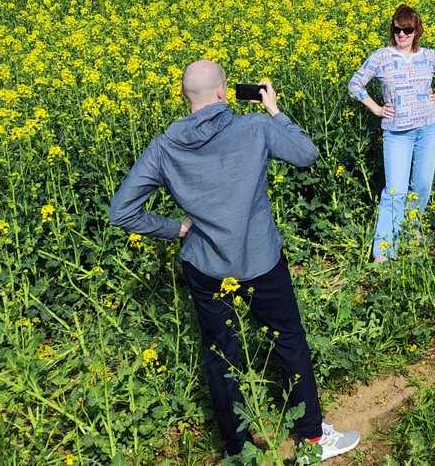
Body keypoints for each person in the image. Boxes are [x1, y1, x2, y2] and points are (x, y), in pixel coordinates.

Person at [109, 60, 360, 462]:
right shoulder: (255, 127)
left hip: (206, 265)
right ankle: (313, 440)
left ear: (182, 95)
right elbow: (307, 154)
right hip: (259, 258)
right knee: (289, 340)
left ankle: (238, 450)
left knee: (221, 355)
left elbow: (122, 211)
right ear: (224, 91)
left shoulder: (164, 146)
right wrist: (273, 109)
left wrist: (175, 229)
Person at [346, 4, 435, 262]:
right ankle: (383, 253)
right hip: (397, 134)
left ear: (417, 31)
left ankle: (410, 228)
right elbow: (355, 84)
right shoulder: (381, 57)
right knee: (395, 190)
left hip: (429, 129)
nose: (402, 35)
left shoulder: (429, 56)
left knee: (423, 186)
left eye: (408, 30)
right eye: (397, 29)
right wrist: (377, 109)